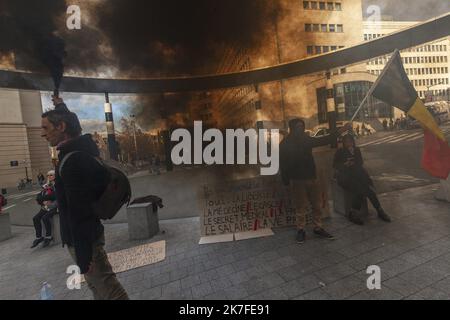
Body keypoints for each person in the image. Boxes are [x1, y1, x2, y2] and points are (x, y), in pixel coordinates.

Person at [41, 96, 128, 300]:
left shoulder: (72, 161)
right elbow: (74, 126)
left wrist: (83, 255)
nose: (42, 133)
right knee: (99, 290)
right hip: (88, 236)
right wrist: (61, 106)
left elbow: (79, 212)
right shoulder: (82, 147)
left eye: (45, 128)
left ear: (61, 127)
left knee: (108, 289)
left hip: (84, 240)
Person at [280, 118, 351, 244]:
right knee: (300, 206)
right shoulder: (285, 144)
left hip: (311, 177)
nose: (300, 129)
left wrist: (340, 131)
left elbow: (324, 140)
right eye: (297, 127)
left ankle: (318, 227)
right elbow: (283, 164)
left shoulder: (305, 140)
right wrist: (285, 181)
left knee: (316, 204)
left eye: (302, 126)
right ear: (292, 128)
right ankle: (301, 229)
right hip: (297, 180)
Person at [333, 134, 391, 225]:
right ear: (343, 142)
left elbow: (360, 162)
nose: (349, 143)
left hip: (358, 175)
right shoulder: (340, 151)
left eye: (350, 141)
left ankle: (380, 210)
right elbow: (335, 165)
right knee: (360, 190)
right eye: (347, 142)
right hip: (345, 177)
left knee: (369, 190)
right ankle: (353, 213)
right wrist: (345, 164)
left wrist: (354, 160)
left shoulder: (356, 150)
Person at [31, 170, 58, 248]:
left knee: (45, 218)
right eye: (48, 175)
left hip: (55, 206)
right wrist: (43, 202)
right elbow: (38, 197)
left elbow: (55, 196)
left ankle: (48, 237)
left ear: (55, 176)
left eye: (51, 175)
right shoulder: (46, 185)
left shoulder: (57, 185)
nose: (49, 176)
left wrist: (45, 199)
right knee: (35, 218)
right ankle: (39, 237)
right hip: (46, 206)